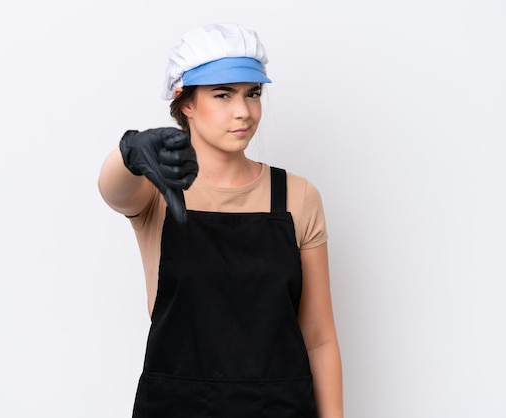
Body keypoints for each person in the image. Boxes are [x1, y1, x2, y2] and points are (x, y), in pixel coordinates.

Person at [98, 23, 343, 418]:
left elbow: (318, 339)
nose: (243, 111)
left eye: (253, 94)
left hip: (279, 408)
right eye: (223, 94)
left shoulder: (297, 196)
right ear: (186, 102)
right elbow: (112, 190)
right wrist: (129, 151)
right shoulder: (155, 190)